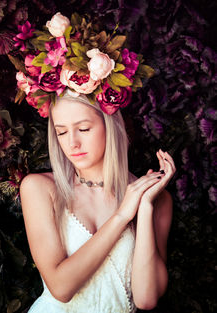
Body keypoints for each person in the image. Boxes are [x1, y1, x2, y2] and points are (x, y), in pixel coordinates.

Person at [19, 90, 176, 313]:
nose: (72, 143)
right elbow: (61, 288)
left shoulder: (155, 199)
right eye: (61, 132)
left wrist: (144, 207)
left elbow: (146, 299)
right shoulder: (39, 188)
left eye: (83, 129)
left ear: (110, 125)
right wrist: (122, 216)